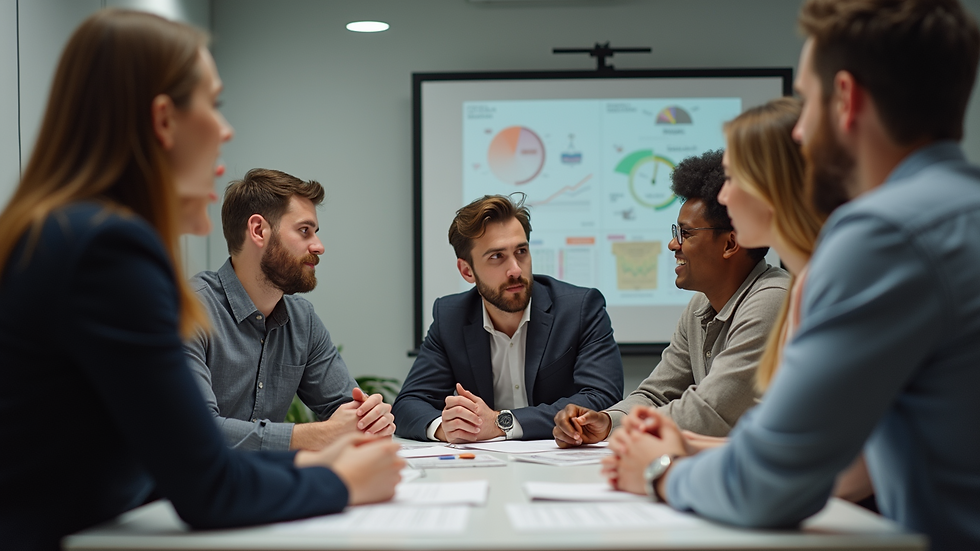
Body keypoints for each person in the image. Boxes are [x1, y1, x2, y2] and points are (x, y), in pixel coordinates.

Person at [0, 10, 402, 550]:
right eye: (213, 105)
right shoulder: (108, 249)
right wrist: (337, 480)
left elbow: (172, 472)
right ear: (164, 121)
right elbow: (206, 485)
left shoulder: (67, 231)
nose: (225, 130)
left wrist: (321, 456)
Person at [602, 0, 980, 548]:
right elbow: (844, 459)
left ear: (846, 99)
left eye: (807, 101)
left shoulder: (881, 235)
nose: (799, 133)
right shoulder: (956, 212)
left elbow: (768, 484)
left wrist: (660, 470)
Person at [553, 150, 789, 447]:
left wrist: (625, 429)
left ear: (730, 243)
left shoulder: (772, 302)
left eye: (686, 234)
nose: (673, 244)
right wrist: (607, 421)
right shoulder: (700, 307)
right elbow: (655, 394)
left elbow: (710, 412)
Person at [184, 168, 394, 452]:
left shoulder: (302, 320)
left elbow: (344, 411)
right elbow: (195, 430)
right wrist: (314, 436)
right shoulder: (189, 311)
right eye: (304, 231)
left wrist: (370, 420)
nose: (318, 247)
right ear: (258, 230)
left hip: (264, 485)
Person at [392, 193, 624, 442]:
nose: (515, 269)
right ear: (467, 271)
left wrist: (500, 423)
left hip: (564, 461)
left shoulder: (580, 308)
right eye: (496, 257)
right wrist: (445, 427)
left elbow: (602, 397)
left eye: (521, 251)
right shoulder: (451, 317)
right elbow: (409, 404)